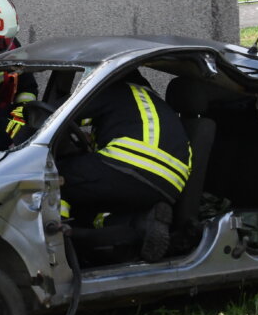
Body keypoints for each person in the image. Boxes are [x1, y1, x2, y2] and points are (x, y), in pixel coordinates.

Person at [57, 72, 191, 263]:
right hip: (169, 185)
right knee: (90, 197)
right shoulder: (154, 104)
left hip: (131, 163)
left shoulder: (114, 91)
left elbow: (60, 115)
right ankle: (141, 222)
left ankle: (56, 240)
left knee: (54, 178)